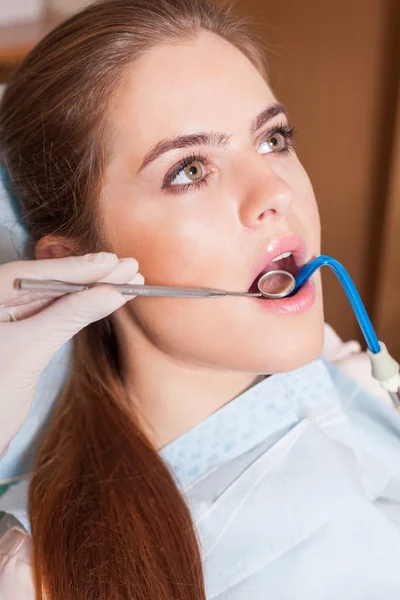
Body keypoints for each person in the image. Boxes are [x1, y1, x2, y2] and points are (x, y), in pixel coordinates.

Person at [0, 1, 399, 598]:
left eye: (273, 138)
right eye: (189, 169)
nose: (275, 193)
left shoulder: (345, 372)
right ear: (72, 264)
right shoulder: (41, 573)